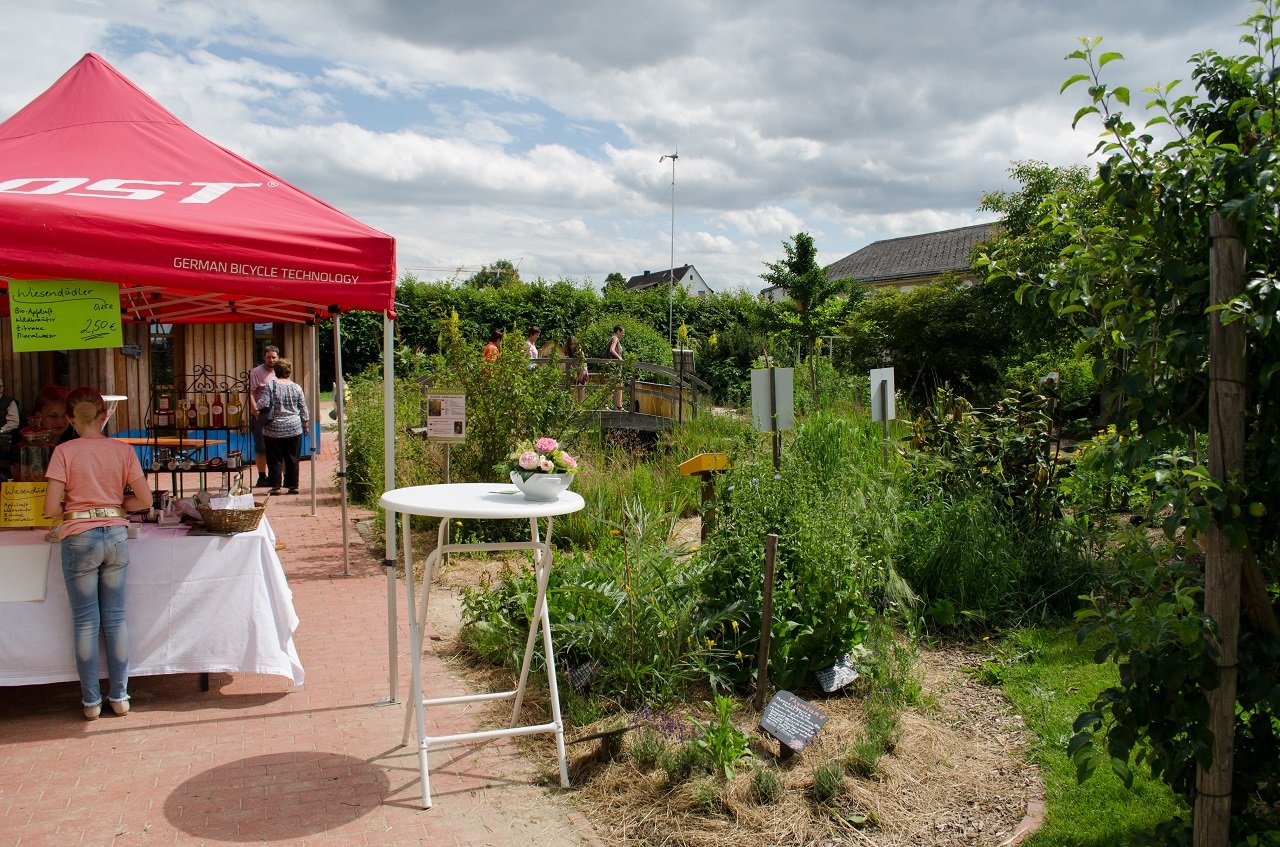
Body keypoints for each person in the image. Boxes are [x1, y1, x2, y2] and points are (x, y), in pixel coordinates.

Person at [43, 387, 152, 721]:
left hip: (78, 538)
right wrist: (116, 506)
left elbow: (49, 509)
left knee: (86, 622)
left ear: (70, 418)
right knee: (116, 618)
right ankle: (120, 696)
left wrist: (78, 509)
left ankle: (91, 702)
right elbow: (145, 501)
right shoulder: (121, 451)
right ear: (104, 415)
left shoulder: (63, 452)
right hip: (115, 535)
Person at [257, 358, 309, 495]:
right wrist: (305, 424)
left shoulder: (271, 385)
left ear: (275, 371)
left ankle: (276, 487)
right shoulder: (297, 387)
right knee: (292, 457)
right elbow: (303, 407)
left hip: (273, 428)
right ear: (289, 371)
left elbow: (262, 404)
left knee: (274, 458)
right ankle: (293, 486)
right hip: (293, 426)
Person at [248, 345, 279, 487]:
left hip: (278, 416)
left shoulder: (281, 371)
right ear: (264, 357)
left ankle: (278, 477)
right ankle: (262, 476)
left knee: (277, 448)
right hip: (261, 415)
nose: (271, 360)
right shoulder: (256, 372)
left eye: (274, 357)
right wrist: (255, 412)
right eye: (268, 357)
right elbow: (251, 393)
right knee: (261, 447)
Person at [0, 376, 19, 475]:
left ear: (1, 388)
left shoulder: (9, 402)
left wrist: (1, 430)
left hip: (3, 439)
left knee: (3, 467)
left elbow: (14, 423)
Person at [605, 324, 625, 410]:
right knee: (612, 385)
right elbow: (612, 350)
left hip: (615, 367)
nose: (623, 335)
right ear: (618, 331)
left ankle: (618, 406)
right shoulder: (615, 338)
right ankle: (605, 405)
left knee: (619, 384)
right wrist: (620, 358)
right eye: (622, 332)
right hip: (614, 367)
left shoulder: (612, 339)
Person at [564, 336, 588, 402]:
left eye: (572, 344)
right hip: (573, 371)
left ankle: (580, 407)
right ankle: (571, 406)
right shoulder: (568, 352)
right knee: (572, 390)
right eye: (570, 344)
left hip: (581, 371)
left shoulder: (580, 352)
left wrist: (580, 375)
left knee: (580, 389)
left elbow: (582, 364)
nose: (571, 346)